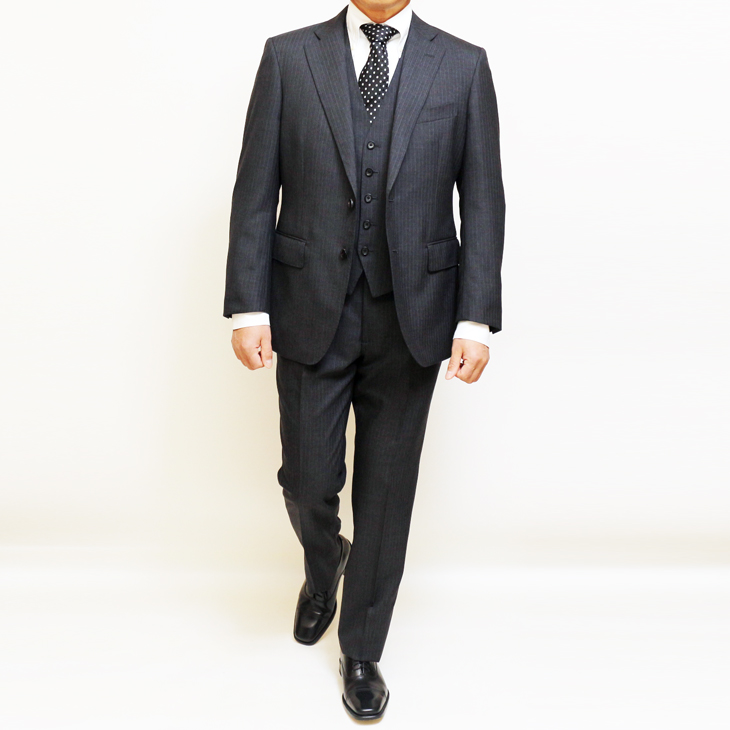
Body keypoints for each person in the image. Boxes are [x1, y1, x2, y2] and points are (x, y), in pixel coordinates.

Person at [223, 0, 505, 719]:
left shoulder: (463, 65)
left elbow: (483, 199)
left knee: (386, 493)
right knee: (306, 478)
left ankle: (362, 649)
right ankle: (326, 566)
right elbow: (255, 188)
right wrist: (249, 306)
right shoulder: (288, 57)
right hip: (309, 305)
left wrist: (475, 318)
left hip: (415, 316)